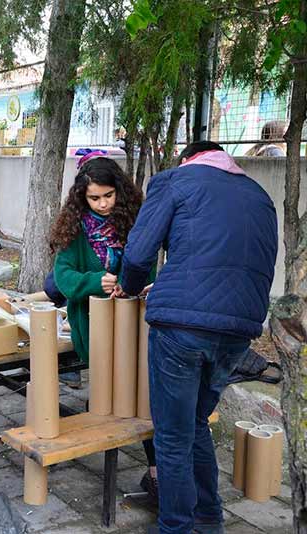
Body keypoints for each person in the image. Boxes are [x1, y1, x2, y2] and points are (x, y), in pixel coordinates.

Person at [118, 141, 277, 534]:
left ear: (187, 159)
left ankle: (175, 527)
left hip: (182, 330)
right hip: (240, 328)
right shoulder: (260, 196)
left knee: (172, 437)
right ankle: (210, 519)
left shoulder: (176, 180)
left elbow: (138, 255)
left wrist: (130, 287)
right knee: (195, 423)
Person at [51, 157, 159, 499]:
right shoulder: (74, 227)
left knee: (142, 397)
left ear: (119, 191)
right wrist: (96, 281)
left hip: (135, 322)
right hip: (93, 325)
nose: (103, 204)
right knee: (109, 396)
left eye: (109, 196)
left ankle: (156, 469)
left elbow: (149, 263)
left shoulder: (132, 219)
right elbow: (63, 277)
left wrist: (142, 283)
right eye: (95, 198)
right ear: (82, 197)